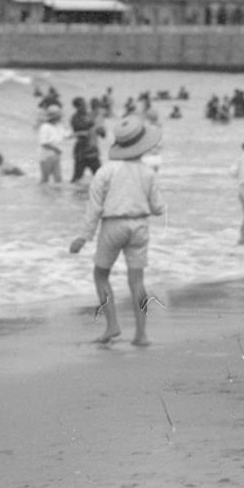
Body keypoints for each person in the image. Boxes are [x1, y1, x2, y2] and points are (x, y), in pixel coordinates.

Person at [69, 114, 165, 346]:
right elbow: (158, 208)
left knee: (101, 275)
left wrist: (84, 236)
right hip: (140, 225)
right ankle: (141, 334)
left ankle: (112, 326)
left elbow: (94, 207)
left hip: (113, 225)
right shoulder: (148, 172)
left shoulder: (106, 171)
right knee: (137, 281)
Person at [69, 97, 101, 183]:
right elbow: (80, 129)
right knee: (77, 177)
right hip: (81, 151)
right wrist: (93, 126)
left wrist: (98, 129)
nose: (86, 106)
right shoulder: (75, 118)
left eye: (86, 104)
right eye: (83, 105)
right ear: (78, 107)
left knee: (100, 175)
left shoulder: (89, 116)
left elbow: (99, 131)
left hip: (92, 151)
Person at [37, 104, 64, 184]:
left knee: (58, 179)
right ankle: (42, 195)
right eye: (59, 116)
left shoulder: (58, 126)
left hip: (55, 156)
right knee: (45, 179)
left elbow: (65, 135)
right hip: (46, 157)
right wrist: (56, 149)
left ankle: (55, 195)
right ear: (55, 117)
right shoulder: (45, 127)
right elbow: (43, 143)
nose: (60, 117)